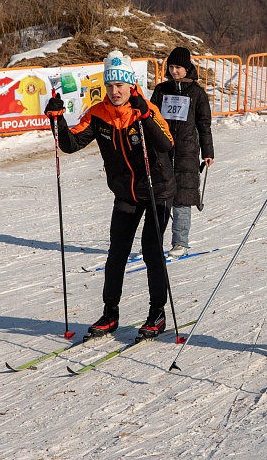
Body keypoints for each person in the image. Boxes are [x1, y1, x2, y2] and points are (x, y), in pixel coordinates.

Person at [44, 50, 176, 342]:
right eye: (110, 85)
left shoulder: (146, 109)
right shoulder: (98, 114)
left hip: (157, 189)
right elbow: (70, 144)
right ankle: (110, 313)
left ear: (131, 85)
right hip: (125, 192)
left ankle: (157, 313)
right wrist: (58, 120)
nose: (115, 91)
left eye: (120, 85)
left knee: (151, 249)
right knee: (117, 252)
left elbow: (166, 144)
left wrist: (145, 115)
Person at [150, 47, 215, 258]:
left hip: (187, 152)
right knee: (159, 199)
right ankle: (152, 242)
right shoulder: (161, 90)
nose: (174, 71)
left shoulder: (197, 93)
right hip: (163, 151)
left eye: (178, 67)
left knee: (182, 199)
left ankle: (180, 242)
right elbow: (150, 119)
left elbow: (204, 125)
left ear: (187, 68)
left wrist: (208, 151)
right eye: (171, 67)